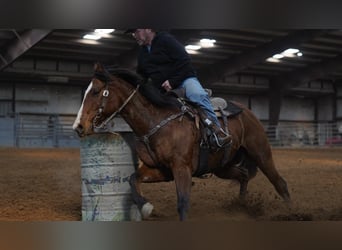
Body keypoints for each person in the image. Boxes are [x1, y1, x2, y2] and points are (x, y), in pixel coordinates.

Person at [126, 29, 231, 147]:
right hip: (162, 88)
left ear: (148, 29)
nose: (134, 36)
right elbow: (142, 76)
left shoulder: (166, 40)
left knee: (197, 95)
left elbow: (185, 62)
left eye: (136, 32)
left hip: (184, 80)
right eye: (133, 33)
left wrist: (172, 81)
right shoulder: (142, 53)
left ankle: (217, 132)